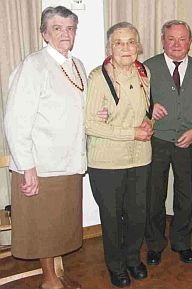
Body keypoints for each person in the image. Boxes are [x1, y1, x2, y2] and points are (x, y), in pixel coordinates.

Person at [4, 6, 85, 289]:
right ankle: (50, 280)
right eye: (57, 28)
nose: (65, 33)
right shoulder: (34, 65)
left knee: (61, 225)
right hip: (41, 165)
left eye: (70, 28)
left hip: (69, 162)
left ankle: (57, 274)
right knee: (45, 227)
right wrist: (27, 168)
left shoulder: (76, 65)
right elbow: (16, 120)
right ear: (44, 33)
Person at [144, 20, 192, 265]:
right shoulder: (147, 68)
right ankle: (155, 244)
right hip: (156, 141)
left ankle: (182, 242)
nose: (176, 44)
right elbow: (131, 103)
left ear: (190, 41)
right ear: (163, 40)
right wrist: (149, 108)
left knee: (186, 195)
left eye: (182, 39)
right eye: (171, 38)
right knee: (154, 195)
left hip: (188, 141)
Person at [85, 22, 153, 287]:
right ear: (109, 47)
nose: (126, 48)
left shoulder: (143, 70)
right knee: (112, 217)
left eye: (131, 42)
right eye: (119, 43)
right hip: (107, 161)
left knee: (138, 213)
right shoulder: (97, 77)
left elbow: (146, 110)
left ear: (139, 45)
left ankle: (133, 259)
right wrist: (131, 133)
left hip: (140, 157)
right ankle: (116, 265)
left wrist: (149, 124)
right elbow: (90, 124)